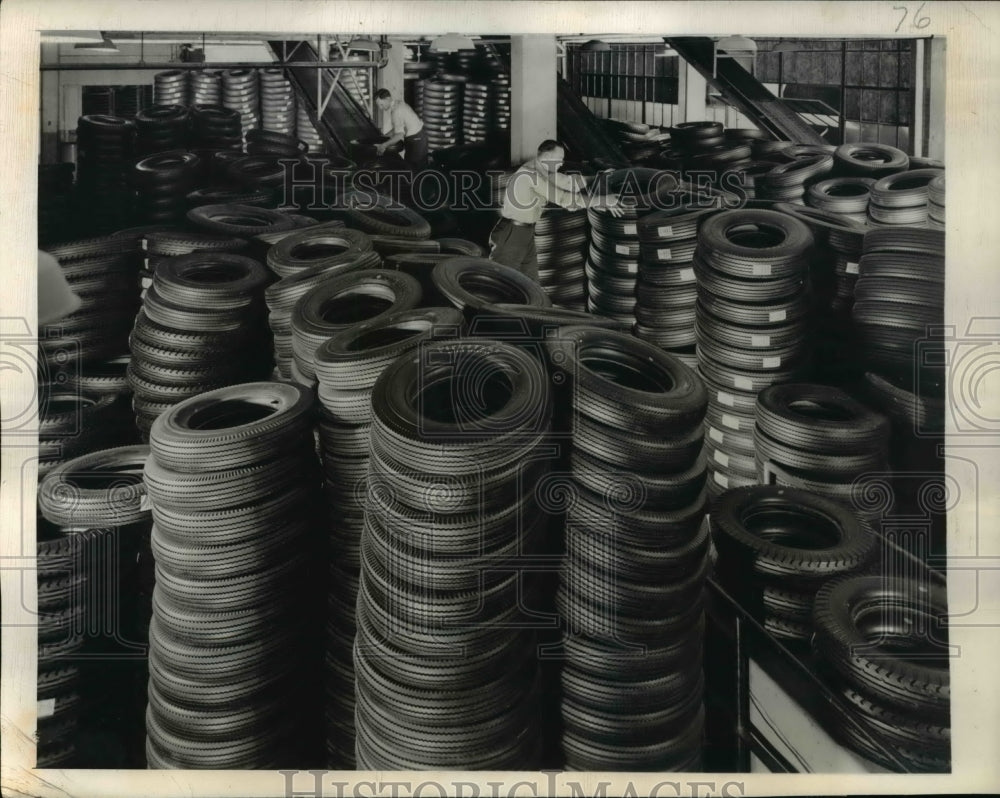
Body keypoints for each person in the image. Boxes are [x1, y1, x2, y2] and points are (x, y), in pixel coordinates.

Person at [489, 140, 623, 282]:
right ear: (547, 157)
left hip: (526, 232)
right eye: (559, 159)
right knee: (502, 283)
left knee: (531, 285)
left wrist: (598, 177)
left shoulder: (543, 170)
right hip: (512, 234)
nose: (562, 163)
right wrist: (603, 201)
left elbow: (569, 182)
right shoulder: (530, 175)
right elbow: (564, 199)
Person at [374, 89, 428, 168]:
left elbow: (399, 135)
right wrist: (384, 137)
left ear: (388, 99)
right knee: (410, 167)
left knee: (414, 169)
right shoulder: (398, 104)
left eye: (381, 104)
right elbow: (398, 128)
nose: (380, 108)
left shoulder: (396, 111)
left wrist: (383, 145)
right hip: (417, 137)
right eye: (379, 105)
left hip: (416, 140)